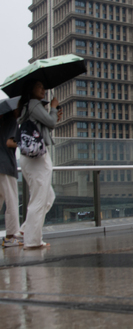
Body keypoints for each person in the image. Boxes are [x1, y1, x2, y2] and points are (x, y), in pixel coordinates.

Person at [15, 80, 62, 249]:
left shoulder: (29, 107)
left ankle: (26, 230)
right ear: (31, 88)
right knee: (39, 199)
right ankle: (32, 241)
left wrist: (53, 114)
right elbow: (50, 123)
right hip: (37, 158)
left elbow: (46, 126)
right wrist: (54, 108)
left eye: (44, 86)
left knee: (48, 197)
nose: (43, 90)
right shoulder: (34, 104)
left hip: (32, 157)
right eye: (39, 86)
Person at [0, 109, 21, 247]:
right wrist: (24, 142)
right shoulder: (12, 121)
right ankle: (11, 236)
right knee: (12, 200)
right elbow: (10, 142)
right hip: (6, 166)